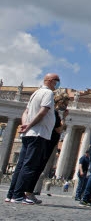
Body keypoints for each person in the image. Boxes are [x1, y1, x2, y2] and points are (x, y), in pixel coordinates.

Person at [7, 73, 58, 204]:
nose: (58, 84)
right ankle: (18, 195)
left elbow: (26, 112)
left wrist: (25, 125)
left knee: (21, 165)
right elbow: (43, 112)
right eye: (57, 81)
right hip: (38, 133)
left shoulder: (35, 93)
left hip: (28, 133)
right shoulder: (48, 94)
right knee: (29, 165)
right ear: (51, 81)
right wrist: (30, 125)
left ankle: (11, 194)